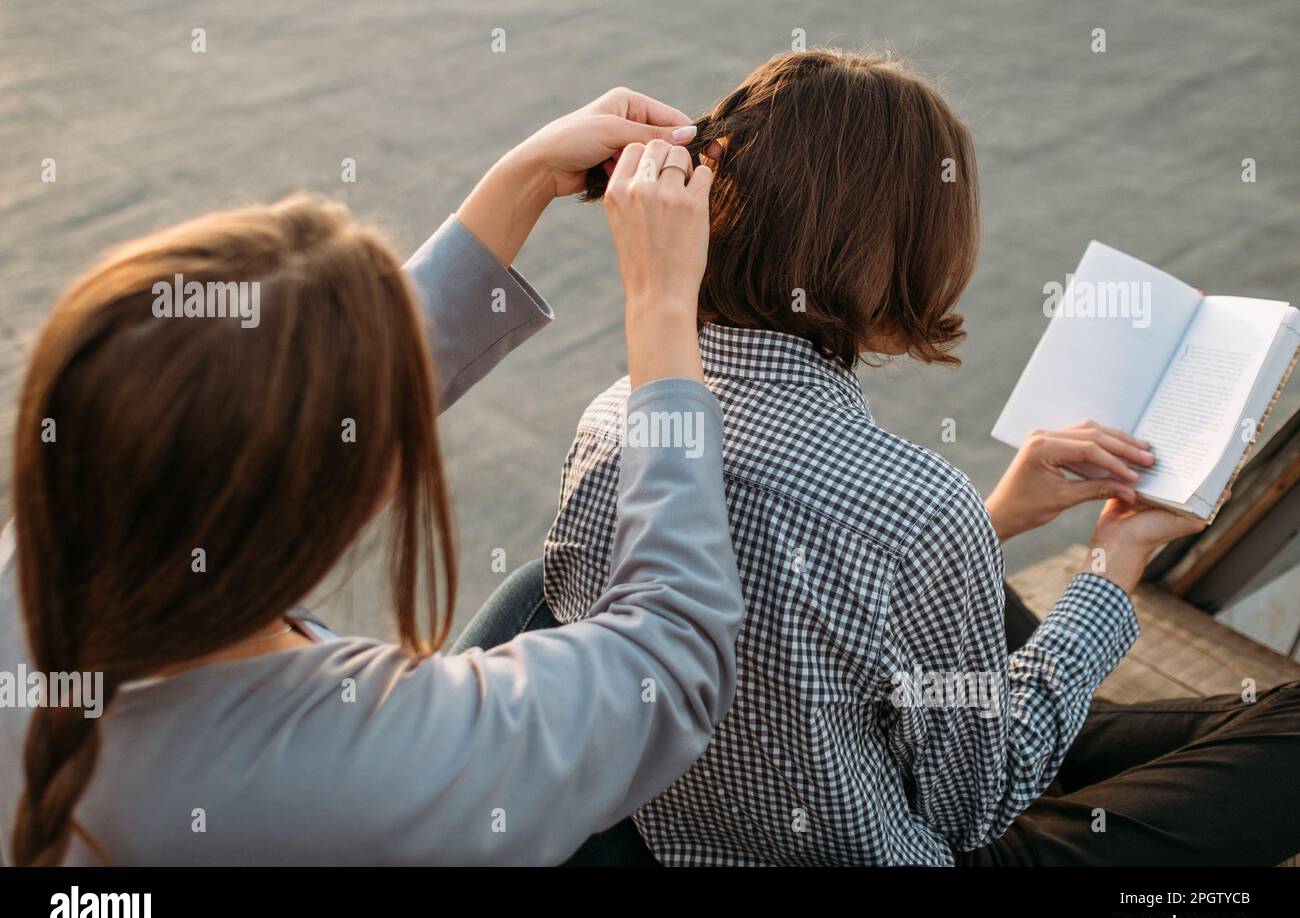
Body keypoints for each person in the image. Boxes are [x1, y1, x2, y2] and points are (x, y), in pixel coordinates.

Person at [536, 50, 1300, 865]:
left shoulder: (613, 420)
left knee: (985, 625)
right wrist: (1113, 561)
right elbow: (976, 806)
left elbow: (790, 585)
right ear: (908, 253)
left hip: (689, 834)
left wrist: (990, 517)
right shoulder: (916, 503)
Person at [0, 88, 745, 866]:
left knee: (535, 595)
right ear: (349, 491)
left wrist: (522, 179)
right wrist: (661, 307)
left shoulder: (57, 546)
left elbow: (272, 408)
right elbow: (671, 654)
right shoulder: (361, 766)